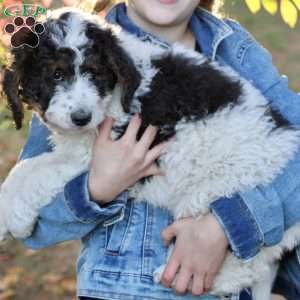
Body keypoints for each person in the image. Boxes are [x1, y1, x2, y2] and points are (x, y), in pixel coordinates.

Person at [18, 0, 300, 299]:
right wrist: (97, 188)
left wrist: (229, 222)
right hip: (128, 291)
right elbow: (35, 225)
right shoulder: (67, 51)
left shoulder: (236, 48)